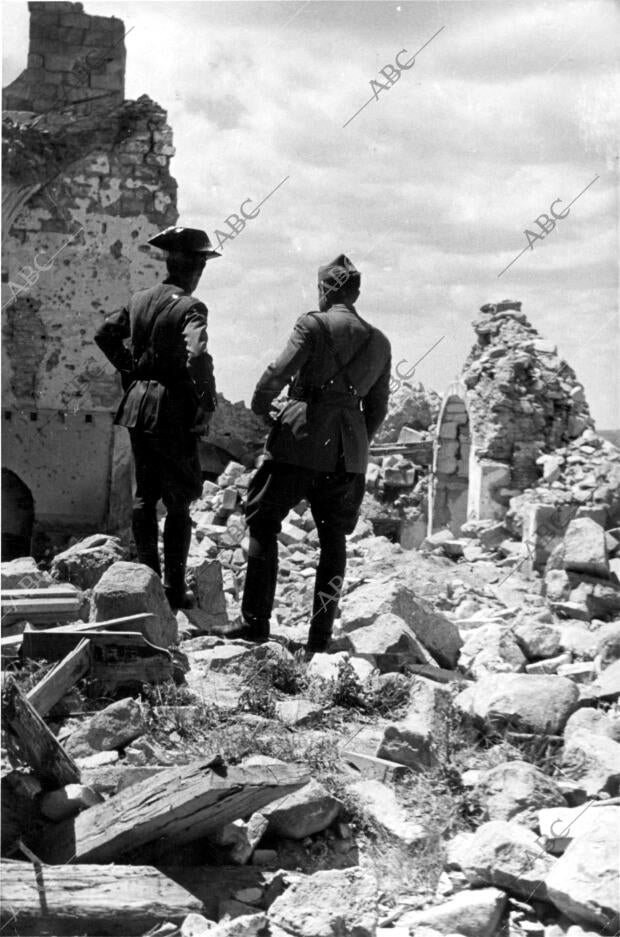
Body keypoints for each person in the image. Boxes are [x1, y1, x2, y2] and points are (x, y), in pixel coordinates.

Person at [236, 254, 391, 652]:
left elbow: (278, 373)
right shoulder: (379, 341)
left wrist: (261, 405)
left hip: (300, 441)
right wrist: (355, 441)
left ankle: (255, 625)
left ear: (324, 291)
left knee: (264, 520)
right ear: (356, 292)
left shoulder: (313, 324)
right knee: (333, 540)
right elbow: (378, 408)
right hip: (348, 454)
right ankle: (319, 640)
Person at [94, 225, 220, 609]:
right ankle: (174, 589)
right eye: (200, 264)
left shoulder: (140, 299)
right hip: (172, 410)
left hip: (137, 405)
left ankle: (148, 579)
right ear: (195, 267)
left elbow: (104, 334)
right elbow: (197, 353)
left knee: (144, 495)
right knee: (178, 499)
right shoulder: (191, 307)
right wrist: (205, 400)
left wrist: (132, 370)